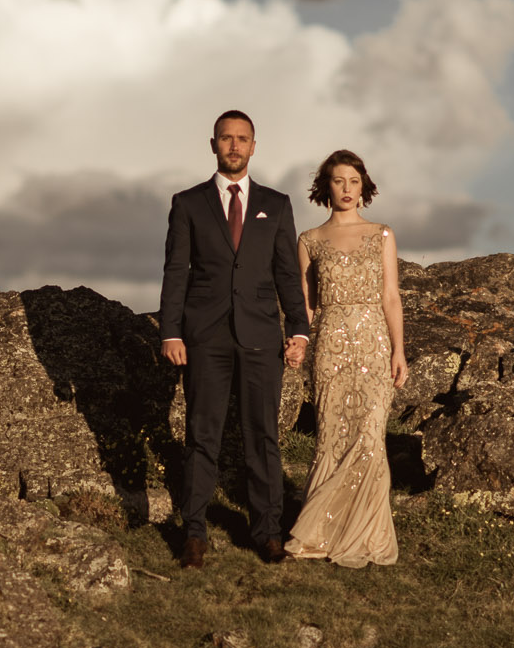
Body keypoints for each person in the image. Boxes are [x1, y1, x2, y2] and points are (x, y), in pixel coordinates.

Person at [160, 110, 311, 569]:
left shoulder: (277, 204)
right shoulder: (187, 203)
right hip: (204, 337)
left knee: (262, 436)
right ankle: (194, 533)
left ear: (253, 146)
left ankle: (266, 531)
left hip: (262, 335)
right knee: (201, 435)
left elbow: (287, 272)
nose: (234, 146)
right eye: (226, 138)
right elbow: (175, 271)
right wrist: (170, 331)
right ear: (213, 145)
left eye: (242, 139)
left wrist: (299, 329)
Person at [284, 150, 408, 569]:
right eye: (339, 181)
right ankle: (322, 531)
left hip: (373, 344)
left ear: (364, 186)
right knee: (332, 437)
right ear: (326, 187)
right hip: (329, 350)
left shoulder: (383, 234)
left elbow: (391, 296)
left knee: (371, 437)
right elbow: (306, 304)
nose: (347, 189)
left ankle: (367, 532)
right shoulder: (310, 240)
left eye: (354, 181)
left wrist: (399, 351)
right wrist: (297, 343)